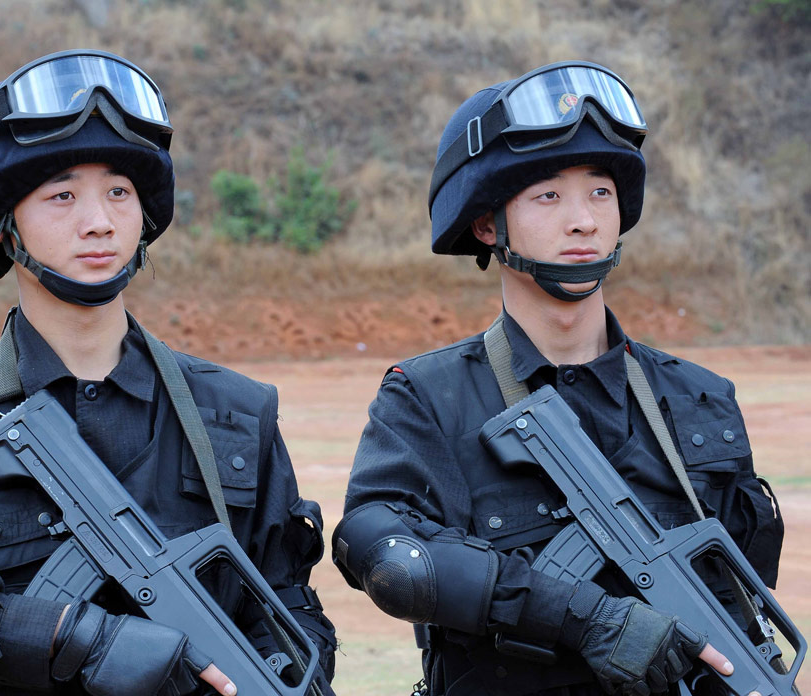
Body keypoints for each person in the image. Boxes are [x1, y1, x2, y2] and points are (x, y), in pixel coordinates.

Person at [0, 49, 336, 696]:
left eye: (119, 192)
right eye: (62, 196)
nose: (99, 222)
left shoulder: (237, 412)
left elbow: (289, 607)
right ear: (2, 225)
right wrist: (70, 637)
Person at [332, 61, 784, 696]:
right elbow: (380, 549)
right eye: (549, 196)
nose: (584, 220)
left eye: (600, 192)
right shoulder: (429, 397)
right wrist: (587, 619)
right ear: (487, 224)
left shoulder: (699, 396)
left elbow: (741, 589)